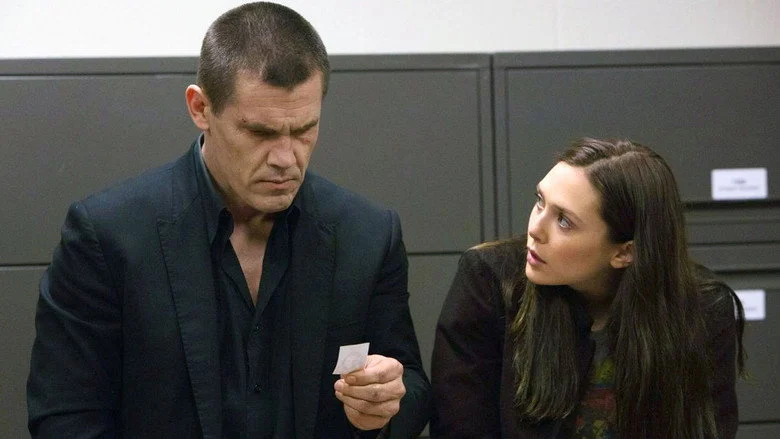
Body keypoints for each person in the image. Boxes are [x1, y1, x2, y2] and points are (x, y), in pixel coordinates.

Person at [27, 3, 431, 438]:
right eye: (260, 132)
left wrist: (385, 403)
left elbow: (410, 385)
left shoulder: (368, 235)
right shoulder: (108, 236)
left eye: (304, 130)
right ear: (200, 108)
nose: (285, 158)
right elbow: (64, 416)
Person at [431, 138, 746, 438]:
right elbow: (461, 428)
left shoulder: (702, 308)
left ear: (624, 252)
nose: (535, 229)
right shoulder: (489, 281)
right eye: (540, 202)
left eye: (564, 221)